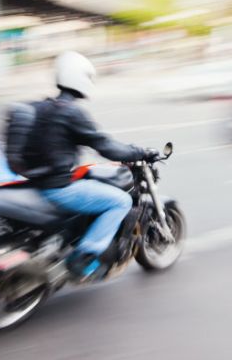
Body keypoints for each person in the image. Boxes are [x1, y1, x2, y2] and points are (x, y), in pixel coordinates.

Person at [18, 51, 158, 279]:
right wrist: (139, 152)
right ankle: (84, 256)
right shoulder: (72, 112)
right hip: (58, 188)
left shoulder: (44, 106)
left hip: (36, 181)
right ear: (80, 77)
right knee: (120, 201)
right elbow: (105, 146)